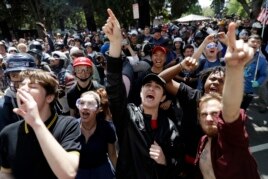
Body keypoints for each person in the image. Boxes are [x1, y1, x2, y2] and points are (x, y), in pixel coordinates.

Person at [103, 9, 184, 179]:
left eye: (157, 87)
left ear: (163, 97)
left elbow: (178, 165)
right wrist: (116, 42)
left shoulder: (170, 128)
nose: (151, 88)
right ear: (140, 93)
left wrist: (165, 160)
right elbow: (114, 87)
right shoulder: (127, 117)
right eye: (147, 85)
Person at [194, 22, 260, 179]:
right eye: (204, 114)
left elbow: (230, 115)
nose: (209, 118)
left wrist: (235, 69)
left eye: (216, 113)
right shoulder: (203, 142)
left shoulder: (233, 140)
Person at [0, 70, 81, 179]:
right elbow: (6, 172)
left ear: (49, 97)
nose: (23, 89)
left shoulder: (68, 125)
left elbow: (68, 173)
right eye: (22, 85)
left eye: (32, 86)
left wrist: (36, 123)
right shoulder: (8, 132)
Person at [76, 90, 117, 179]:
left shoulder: (107, 128)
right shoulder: (71, 128)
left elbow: (112, 155)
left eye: (90, 104)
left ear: (98, 109)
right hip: (78, 173)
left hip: (102, 173)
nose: (85, 107)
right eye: (82, 103)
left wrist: (120, 174)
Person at [0, 53, 37, 132]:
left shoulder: (44, 95)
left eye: (25, 75)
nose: (20, 81)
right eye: (14, 75)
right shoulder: (3, 105)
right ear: (9, 77)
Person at [241, 34, 267, 111]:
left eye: (258, 42)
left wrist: (258, 82)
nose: (255, 43)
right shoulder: (238, 55)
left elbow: (263, 75)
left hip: (248, 91)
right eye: (253, 41)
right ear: (247, 42)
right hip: (234, 89)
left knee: (242, 111)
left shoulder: (262, 60)